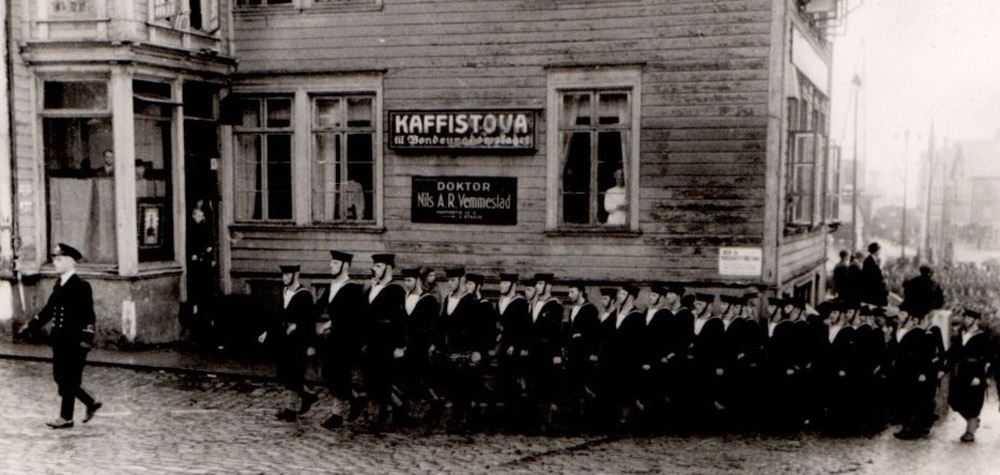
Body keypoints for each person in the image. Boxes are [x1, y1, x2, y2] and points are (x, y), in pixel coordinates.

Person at [18, 243, 101, 429]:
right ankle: (90, 402)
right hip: (60, 340)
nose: (55, 262)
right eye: (54, 259)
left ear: (70, 262)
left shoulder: (81, 286)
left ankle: (66, 418)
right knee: (60, 377)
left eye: (59, 259)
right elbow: (49, 310)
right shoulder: (59, 284)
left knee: (70, 379)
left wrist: (86, 338)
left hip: (76, 340)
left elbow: (89, 315)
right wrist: (31, 326)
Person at [257, 265, 318, 422]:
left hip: (299, 341)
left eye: (287, 275)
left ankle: (291, 408)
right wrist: (267, 332)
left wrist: (311, 344)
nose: (284, 278)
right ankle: (307, 395)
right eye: (283, 275)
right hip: (284, 340)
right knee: (284, 373)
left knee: (295, 373)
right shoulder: (284, 292)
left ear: (296, 275)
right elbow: (277, 316)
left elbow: (310, 320)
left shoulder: (304, 295)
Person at [316, 250, 364, 430]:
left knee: (339, 374)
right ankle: (354, 398)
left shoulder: (353, 288)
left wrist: (333, 324)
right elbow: (319, 307)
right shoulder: (331, 287)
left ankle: (337, 414)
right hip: (333, 337)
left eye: (335, 263)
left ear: (345, 266)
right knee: (328, 375)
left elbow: (356, 317)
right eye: (331, 263)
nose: (331, 266)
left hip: (346, 339)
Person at [359, 253, 407, 433]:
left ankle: (381, 417)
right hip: (371, 341)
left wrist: (400, 345)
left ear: (389, 268)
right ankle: (392, 410)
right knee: (370, 379)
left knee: (383, 380)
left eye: (379, 266)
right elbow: (364, 315)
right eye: (375, 266)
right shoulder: (372, 289)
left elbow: (401, 320)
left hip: (387, 341)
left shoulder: (396, 290)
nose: (375, 269)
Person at [399, 266, 443, 426]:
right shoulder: (404, 298)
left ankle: (435, 404)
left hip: (421, 346)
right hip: (406, 345)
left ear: (417, 281)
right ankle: (405, 412)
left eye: (409, 280)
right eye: (404, 280)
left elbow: (434, 325)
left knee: (420, 378)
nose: (406, 284)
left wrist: (432, 344)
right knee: (406, 379)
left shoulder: (427, 300)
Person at [947, 308, 993, 442]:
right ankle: (972, 420)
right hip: (961, 371)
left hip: (975, 372)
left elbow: (988, 358)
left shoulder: (983, 337)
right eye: (965, 318)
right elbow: (953, 353)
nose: (965, 320)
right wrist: (944, 367)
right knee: (955, 400)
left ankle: (970, 431)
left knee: (974, 402)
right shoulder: (960, 335)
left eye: (969, 318)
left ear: (976, 320)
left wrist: (982, 376)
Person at [564, 281, 600, 428]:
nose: (570, 295)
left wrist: (590, 349)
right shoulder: (573, 309)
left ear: (580, 292)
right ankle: (574, 416)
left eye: (573, 292)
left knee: (584, 383)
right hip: (574, 351)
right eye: (569, 292)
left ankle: (588, 416)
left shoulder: (590, 309)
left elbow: (595, 333)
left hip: (584, 352)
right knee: (573, 383)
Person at [186, 202, 216, 347]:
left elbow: (209, 246)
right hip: (196, 273)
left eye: (203, 214)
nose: (202, 216)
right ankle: (197, 333)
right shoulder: (192, 230)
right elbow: (195, 250)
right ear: (194, 216)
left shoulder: (203, 227)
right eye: (200, 214)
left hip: (203, 271)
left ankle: (203, 332)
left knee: (204, 301)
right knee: (197, 301)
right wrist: (200, 254)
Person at [861, 242, 888, 306]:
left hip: (875, 288)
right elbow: (872, 276)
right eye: (879, 250)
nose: (879, 252)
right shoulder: (869, 261)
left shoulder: (873, 260)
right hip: (872, 289)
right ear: (876, 251)